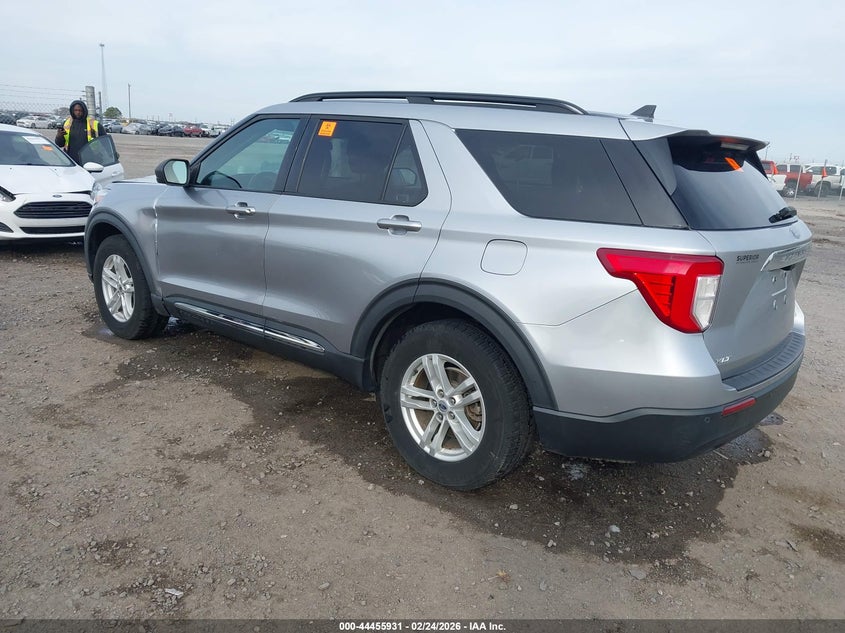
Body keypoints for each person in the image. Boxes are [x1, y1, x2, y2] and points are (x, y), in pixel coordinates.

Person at [55, 100, 107, 164]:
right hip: (71, 161)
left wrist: (111, 155)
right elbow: (59, 144)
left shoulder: (94, 124)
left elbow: (105, 142)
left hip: (90, 161)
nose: (78, 112)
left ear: (84, 111)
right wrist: (59, 136)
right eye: (75, 110)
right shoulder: (66, 124)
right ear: (72, 111)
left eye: (80, 110)